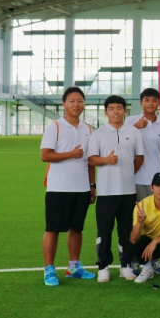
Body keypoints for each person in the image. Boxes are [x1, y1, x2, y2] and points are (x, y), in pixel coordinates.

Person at [39, 86, 96, 286]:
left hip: (81, 188)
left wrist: (92, 185)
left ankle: (74, 267)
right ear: (64, 104)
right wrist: (70, 154)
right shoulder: (54, 126)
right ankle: (49, 269)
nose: (76, 104)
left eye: (80, 101)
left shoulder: (88, 129)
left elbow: (90, 161)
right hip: (58, 188)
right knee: (53, 229)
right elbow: (45, 155)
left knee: (76, 228)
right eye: (72, 101)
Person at [87, 95, 145, 282]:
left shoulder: (134, 132)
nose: (115, 112)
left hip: (128, 191)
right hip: (106, 191)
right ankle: (103, 266)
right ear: (106, 112)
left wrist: (127, 172)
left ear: (125, 111)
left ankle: (125, 265)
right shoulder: (98, 133)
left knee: (126, 230)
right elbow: (91, 159)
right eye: (111, 109)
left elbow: (140, 157)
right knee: (104, 230)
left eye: (119, 108)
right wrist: (106, 160)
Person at [125, 88, 160, 201]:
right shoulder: (130, 121)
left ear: (159, 103)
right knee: (139, 210)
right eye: (147, 100)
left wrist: (156, 163)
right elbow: (121, 141)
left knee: (157, 211)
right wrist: (135, 127)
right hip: (136, 178)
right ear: (141, 103)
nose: (151, 103)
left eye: (154, 100)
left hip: (156, 178)